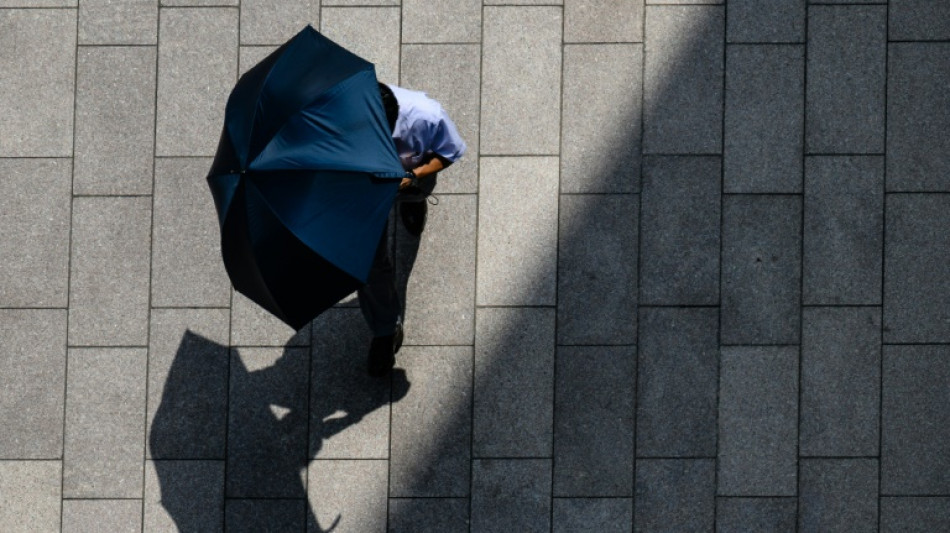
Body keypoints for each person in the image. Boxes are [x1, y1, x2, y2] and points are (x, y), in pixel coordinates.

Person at [360, 83, 466, 376]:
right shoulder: (346, 117)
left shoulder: (427, 116)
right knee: (368, 265)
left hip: (409, 175)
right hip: (364, 190)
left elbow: (449, 152)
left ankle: (412, 201)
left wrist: (412, 177)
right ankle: (385, 331)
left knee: (414, 192)